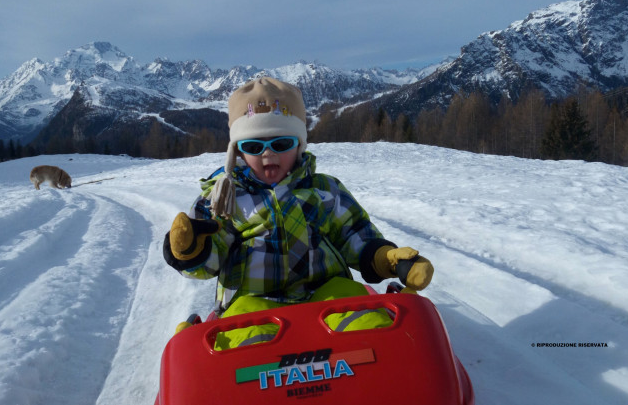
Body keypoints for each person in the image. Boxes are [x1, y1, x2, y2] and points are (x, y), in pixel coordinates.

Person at [163, 77, 434, 348]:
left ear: (299, 145)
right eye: (254, 147)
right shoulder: (225, 199)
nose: (268, 155)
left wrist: (385, 257)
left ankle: (389, 368)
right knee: (245, 344)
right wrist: (192, 250)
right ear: (238, 153)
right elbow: (214, 253)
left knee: (365, 325)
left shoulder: (323, 190)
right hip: (253, 301)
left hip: (327, 293)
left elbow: (353, 232)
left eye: (281, 144)